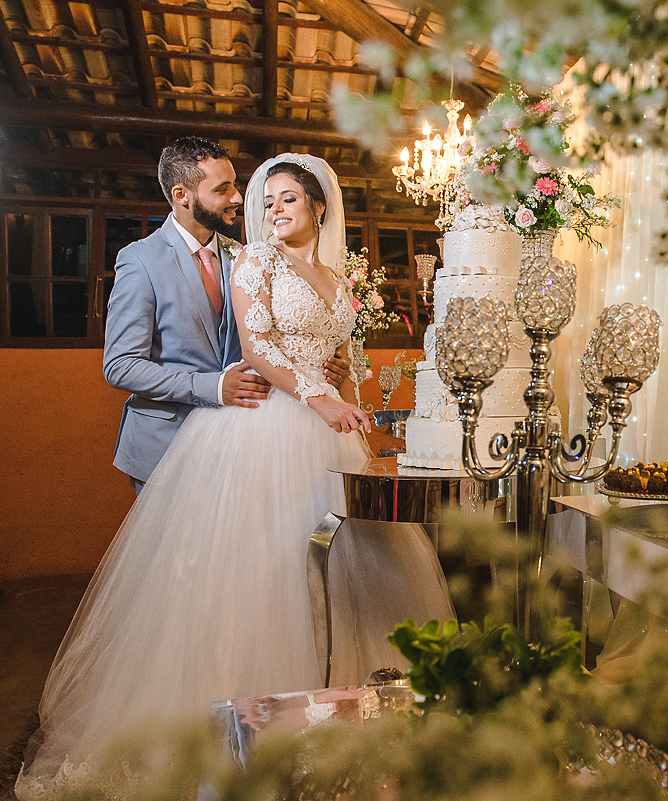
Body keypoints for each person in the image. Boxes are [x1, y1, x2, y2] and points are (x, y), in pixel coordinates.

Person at [16, 154, 454, 799]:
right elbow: (246, 350)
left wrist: (336, 378)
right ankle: (228, 733)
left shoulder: (313, 270)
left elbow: (320, 347)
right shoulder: (223, 259)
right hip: (244, 430)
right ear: (182, 193)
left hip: (317, 433)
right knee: (226, 581)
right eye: (254, 197)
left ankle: (336, 713)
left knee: (340, 568)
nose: (262, 208)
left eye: (285, 200)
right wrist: (309, 393)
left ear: (319, 208)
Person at [102, 137, 350, 492]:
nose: (237, 197)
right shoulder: (140, 260)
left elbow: (267, 338)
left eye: (235, 184)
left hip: (242, 440)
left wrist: (325, 363)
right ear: (181, 195)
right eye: (223, 189)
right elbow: (120, 366)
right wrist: (214, 387)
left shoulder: (245, 255)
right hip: (165, 442)